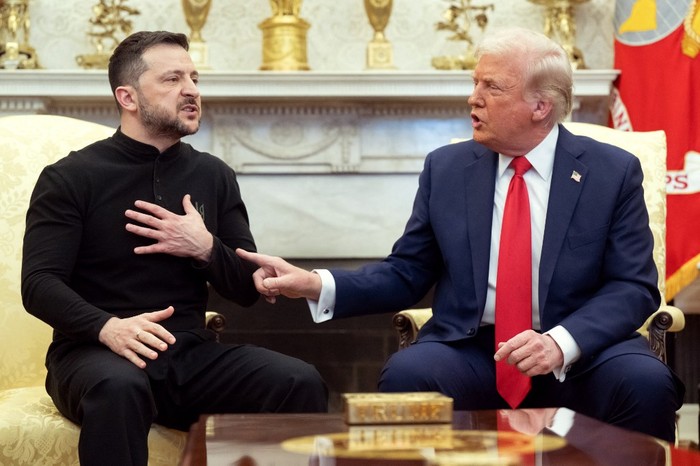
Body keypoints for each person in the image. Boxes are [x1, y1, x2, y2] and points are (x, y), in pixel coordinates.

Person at [236, 27, 684, 442]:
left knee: (645, 384)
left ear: (540, 106)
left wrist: (559, 343)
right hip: (474, 347)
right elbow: (407, 272)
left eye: (492, 87)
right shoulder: (447, 169)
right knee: (409, 375)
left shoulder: (611, 171)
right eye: (475, 83)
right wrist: (315, 283)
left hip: (583, 349)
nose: (473, 99)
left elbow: (633, 287)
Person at [21, 30, 327, 466]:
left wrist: (204, 248)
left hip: (188, 354)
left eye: (195, 78)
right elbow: (38, 284)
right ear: (127, 97)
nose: (191, 91)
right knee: (119, 387)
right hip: (94, 354)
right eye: (172, 79)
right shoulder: (70, 176)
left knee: (299, 380)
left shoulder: (214, 175)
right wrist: (109, 328)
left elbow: (245, 288)